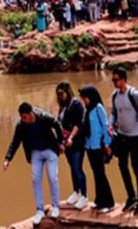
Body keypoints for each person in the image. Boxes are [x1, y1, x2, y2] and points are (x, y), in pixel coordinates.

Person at [3, 102, 63, 226]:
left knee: (53, 177)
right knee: (35, 180)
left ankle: (56, 206)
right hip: (35, 153)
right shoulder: (21, 126)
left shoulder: (43, 117)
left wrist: (60, 142)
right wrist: (8, 159)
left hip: (50, 149)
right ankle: (39, 210)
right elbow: (15, 142)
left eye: (24, 117)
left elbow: (57, 124)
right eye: (21, 118)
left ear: (31, 114)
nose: (23, 120)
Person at [110, 67, 138, 216]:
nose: (114, 82)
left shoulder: (134, 94)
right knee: (122, 165)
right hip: (121, 136)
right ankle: (132, 196)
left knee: (136, 168)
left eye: (116, 80)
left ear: (124, 80)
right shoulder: (115, 95)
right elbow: (113, 113)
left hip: (135, 136)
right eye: (113, 80)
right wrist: (110, 123)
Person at [79, 85, 114, 213]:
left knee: (101, 174)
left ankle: (108, 202)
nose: (84, 101)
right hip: (89, 146)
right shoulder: (87, 110)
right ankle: (99, 200)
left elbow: (105, 126)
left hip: (99, 146)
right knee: (96, 174)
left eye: (85, 98)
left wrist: (107, 144)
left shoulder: (98, 108)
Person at [56, 82, 88, 210]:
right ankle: (76, 192)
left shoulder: (76, 105)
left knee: (77, 168)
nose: (60, 97)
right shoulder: (63, 106)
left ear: (68, 92)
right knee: (72, 168)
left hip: (77, 142)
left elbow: (77, 124)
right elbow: (60, 123)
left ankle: (84, 196)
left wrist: (71, 138)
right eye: (58, 94)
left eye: (61, 94)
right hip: (66, 142)